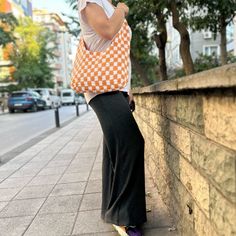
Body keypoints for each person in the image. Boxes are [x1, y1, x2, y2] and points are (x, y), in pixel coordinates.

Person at [77, 0, 147, 235]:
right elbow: (106, 31)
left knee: (114, 149)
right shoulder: (90, 2)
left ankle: (113, 209)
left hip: (116, 86)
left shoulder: (106, 4)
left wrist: (128, 88)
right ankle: (124, 216)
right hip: (100, 89)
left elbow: (118, 55)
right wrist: (122, 8)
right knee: (132, 144)